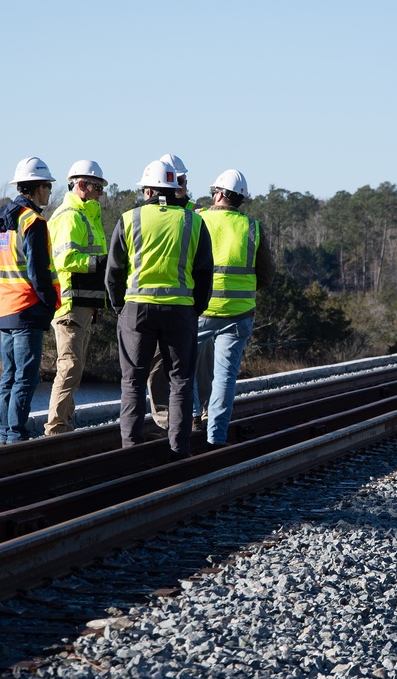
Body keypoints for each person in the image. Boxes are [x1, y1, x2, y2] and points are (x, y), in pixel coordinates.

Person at [105, 159, 213, 455]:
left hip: (136, 310)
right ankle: (179, 449)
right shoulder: (193, 221)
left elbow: (113, 271)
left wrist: (120, 308)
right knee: (180, 381)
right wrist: (196, 309)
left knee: (133, 381)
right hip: (180, 311)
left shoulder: (129, 219)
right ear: (175, 189)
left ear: (148, 191)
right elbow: (205, 272)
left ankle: (131, 449)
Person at [196, 169, 275, 448]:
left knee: (185, 369)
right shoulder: (252, 227)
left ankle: (192, 419)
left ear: (217, 194)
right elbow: (266, 274)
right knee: (225, 377)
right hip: (238, 314)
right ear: (240, 199)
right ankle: (215, 436)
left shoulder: (198, 220)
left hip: (200, 311)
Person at [0, 156, 60, 444]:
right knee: (26, 378)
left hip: (5, 308)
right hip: (27, 307)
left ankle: (4, 434)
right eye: (48, 186)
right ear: (36, 187)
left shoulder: (3, 221)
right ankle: (16, 436)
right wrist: (50, 301)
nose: (50, 192)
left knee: (9, 376)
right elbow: (38, 271)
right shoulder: (32, 221)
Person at [44, 160, 109, 435]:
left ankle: (64, 425)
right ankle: (56, 428)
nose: (100, 193)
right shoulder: (70, 216)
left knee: (75, 368)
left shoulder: (88, 215)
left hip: (83, 305)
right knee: (69, 367)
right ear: (81, 185)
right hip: (69, 306)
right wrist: (102, 262)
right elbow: (67, 258)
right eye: (97, 187)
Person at [148, 153, 202, 432]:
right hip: (155, 301)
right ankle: (165, 420)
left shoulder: (196, 213)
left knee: (184, 368)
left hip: (185, 302)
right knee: (158, 366)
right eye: (179, 180)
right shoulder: (149, 214)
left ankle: (187, 418)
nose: (182, 186)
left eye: (184, 180)